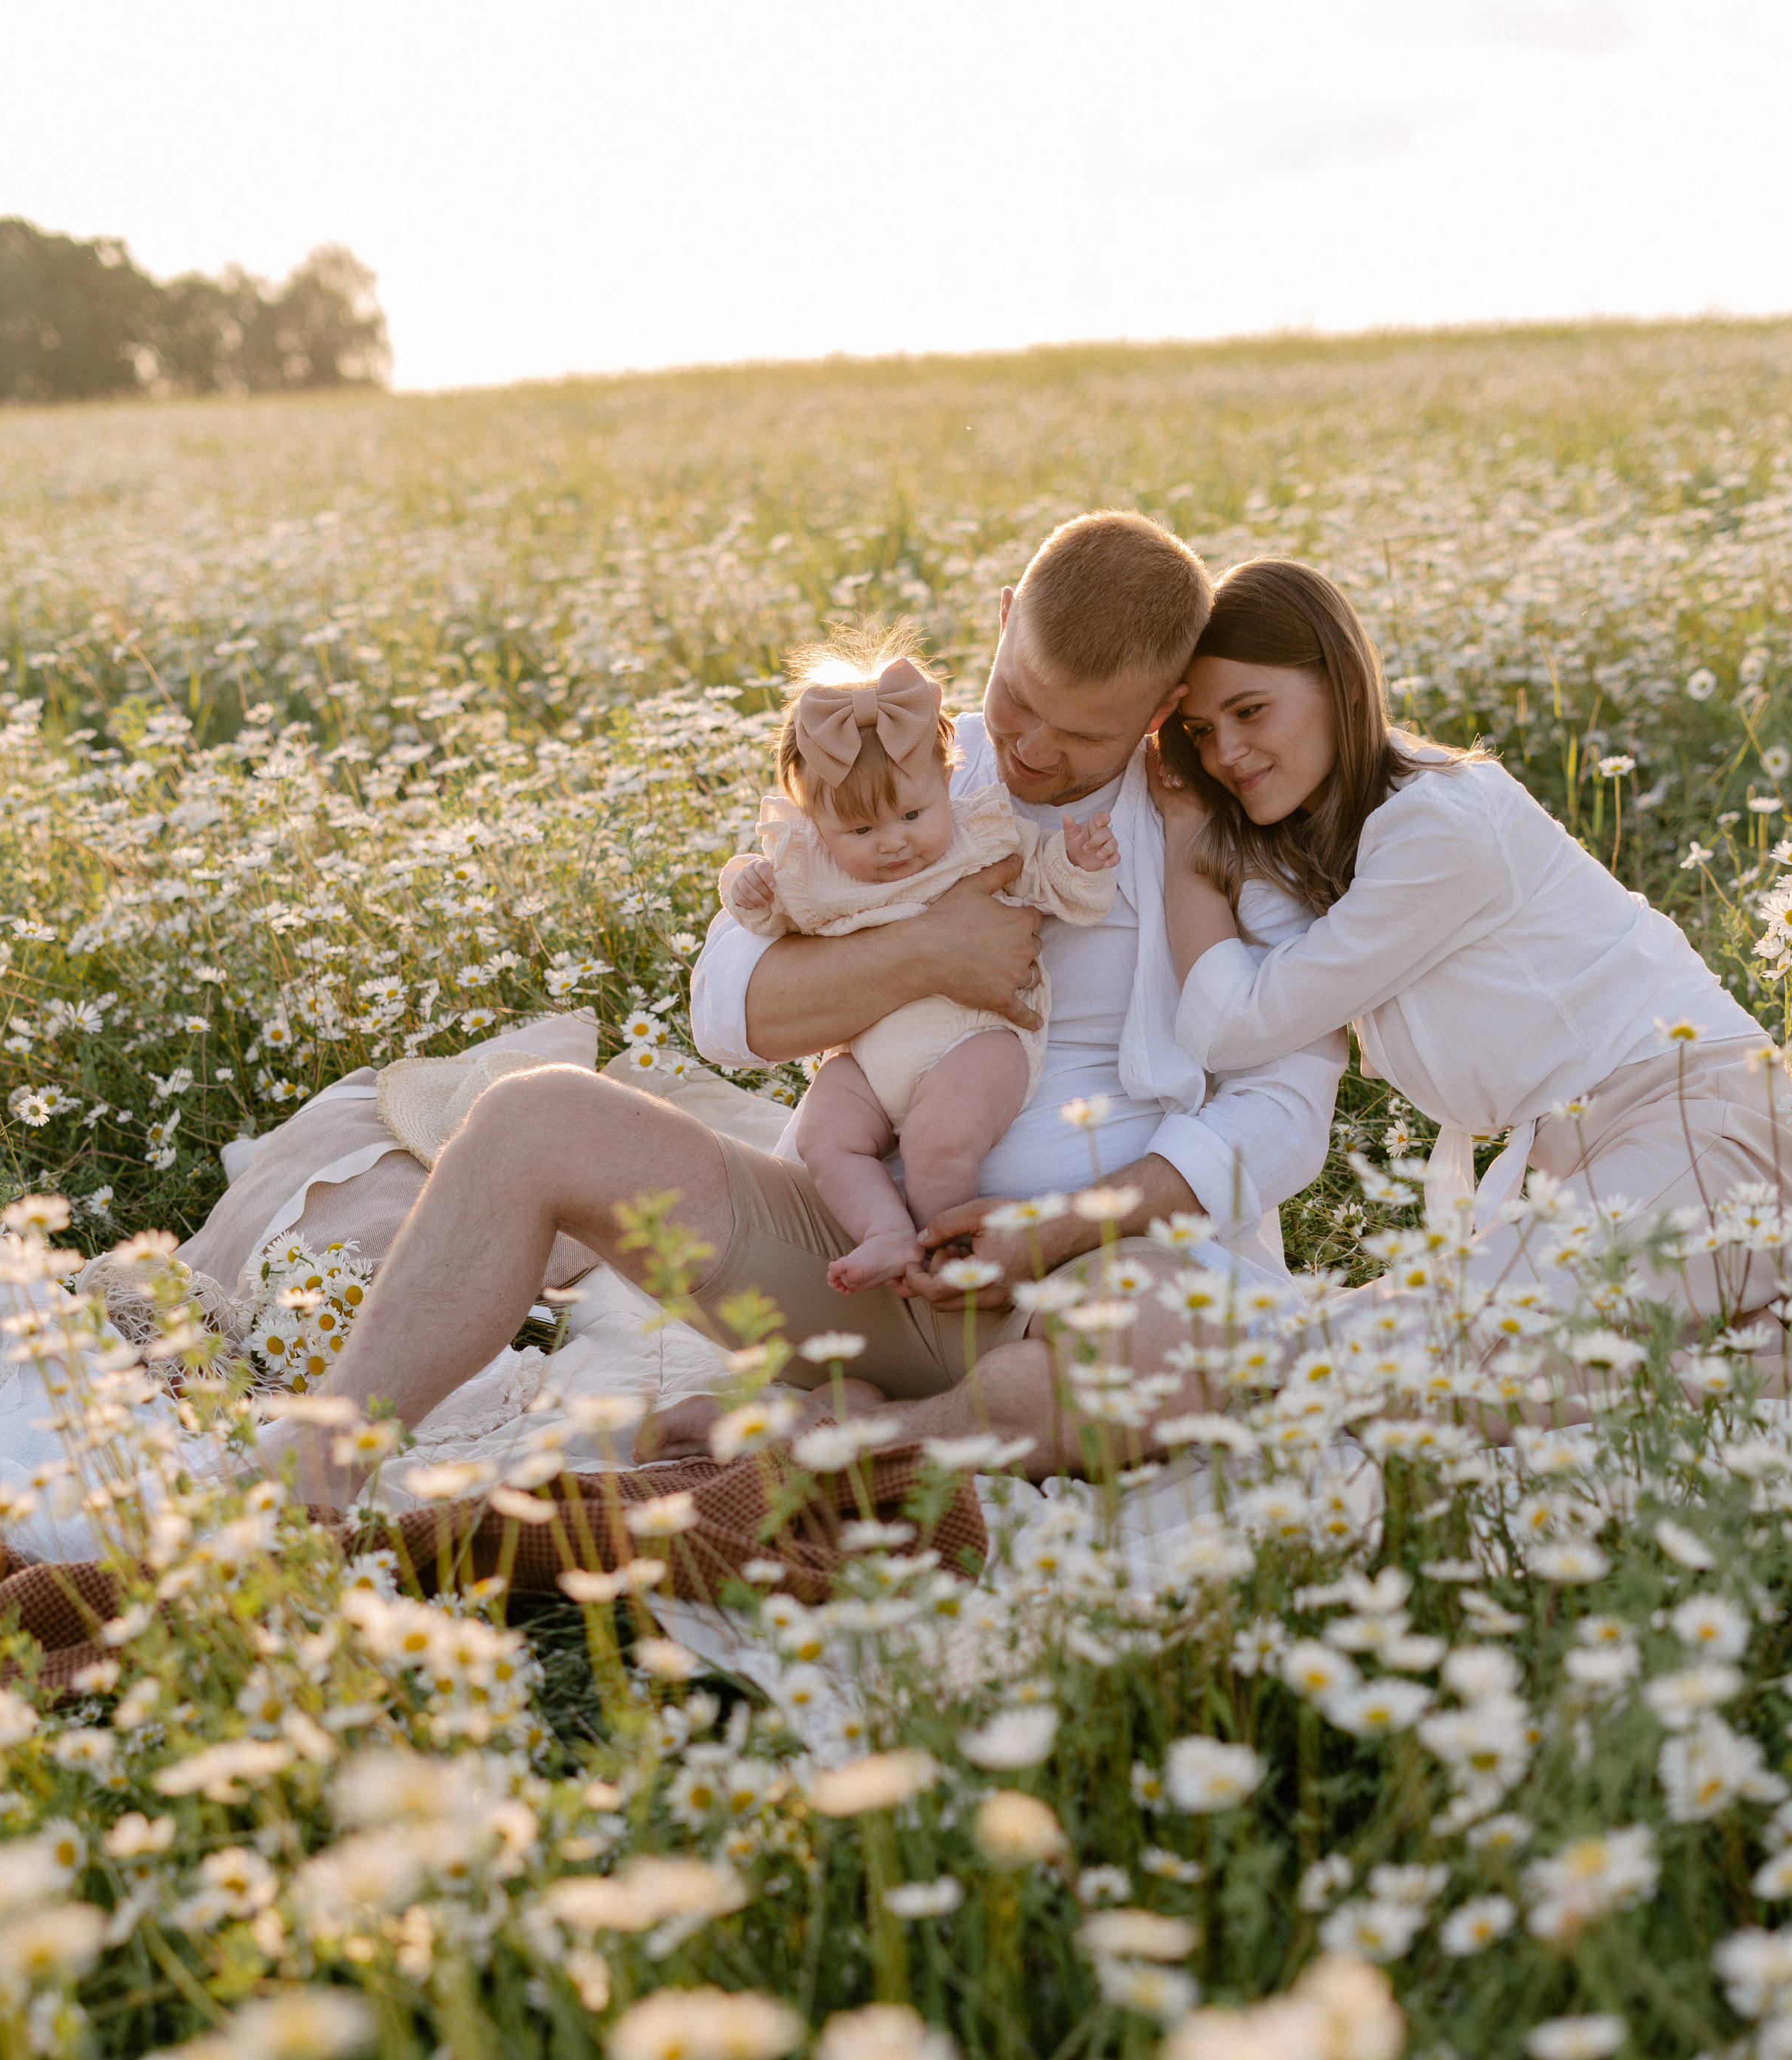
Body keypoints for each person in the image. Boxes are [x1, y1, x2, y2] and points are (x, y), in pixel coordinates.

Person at [296, 510, 1345, 1502]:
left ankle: (843, 1440)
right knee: (534, 1118)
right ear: (1005, 613)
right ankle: (316, 1464)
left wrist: (1059, 1232)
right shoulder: (893, 759)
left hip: (1092, 1289)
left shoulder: (1215, 834)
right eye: (1019, 700)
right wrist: (925, 951)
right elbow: (725, 1009)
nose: (1029, 749)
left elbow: (1289, 1112)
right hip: (849, 1262)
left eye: (1082, 735)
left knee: (1181, 1344)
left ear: (1160, 711)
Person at [1147, 555, 1792, 1324]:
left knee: (1401, 1350)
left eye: (1250, 711)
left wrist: (1183, 839)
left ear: (1344, 686)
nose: (1222, 755)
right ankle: (1773, 1339)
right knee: (1476, 1367)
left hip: (1709, 1139)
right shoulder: (1343, 837)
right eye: (1200, 731)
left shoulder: (1437, 826)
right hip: (1624, 1161)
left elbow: (1233, 1027)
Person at [718, 633, 1119, 1293]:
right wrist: (748, 888)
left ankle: (949, 1252)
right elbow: (769, 923)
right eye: (861, 831)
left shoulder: (982, 833)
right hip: (870, 1061)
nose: (893, 843)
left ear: (948, 776)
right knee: (825, 1134)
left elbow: (1052, 883)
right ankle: (887, 1232)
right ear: (816, 820)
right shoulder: (814, 869)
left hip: (978, 1038)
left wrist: (1078, 862)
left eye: (912, 813)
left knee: (939, 1144)